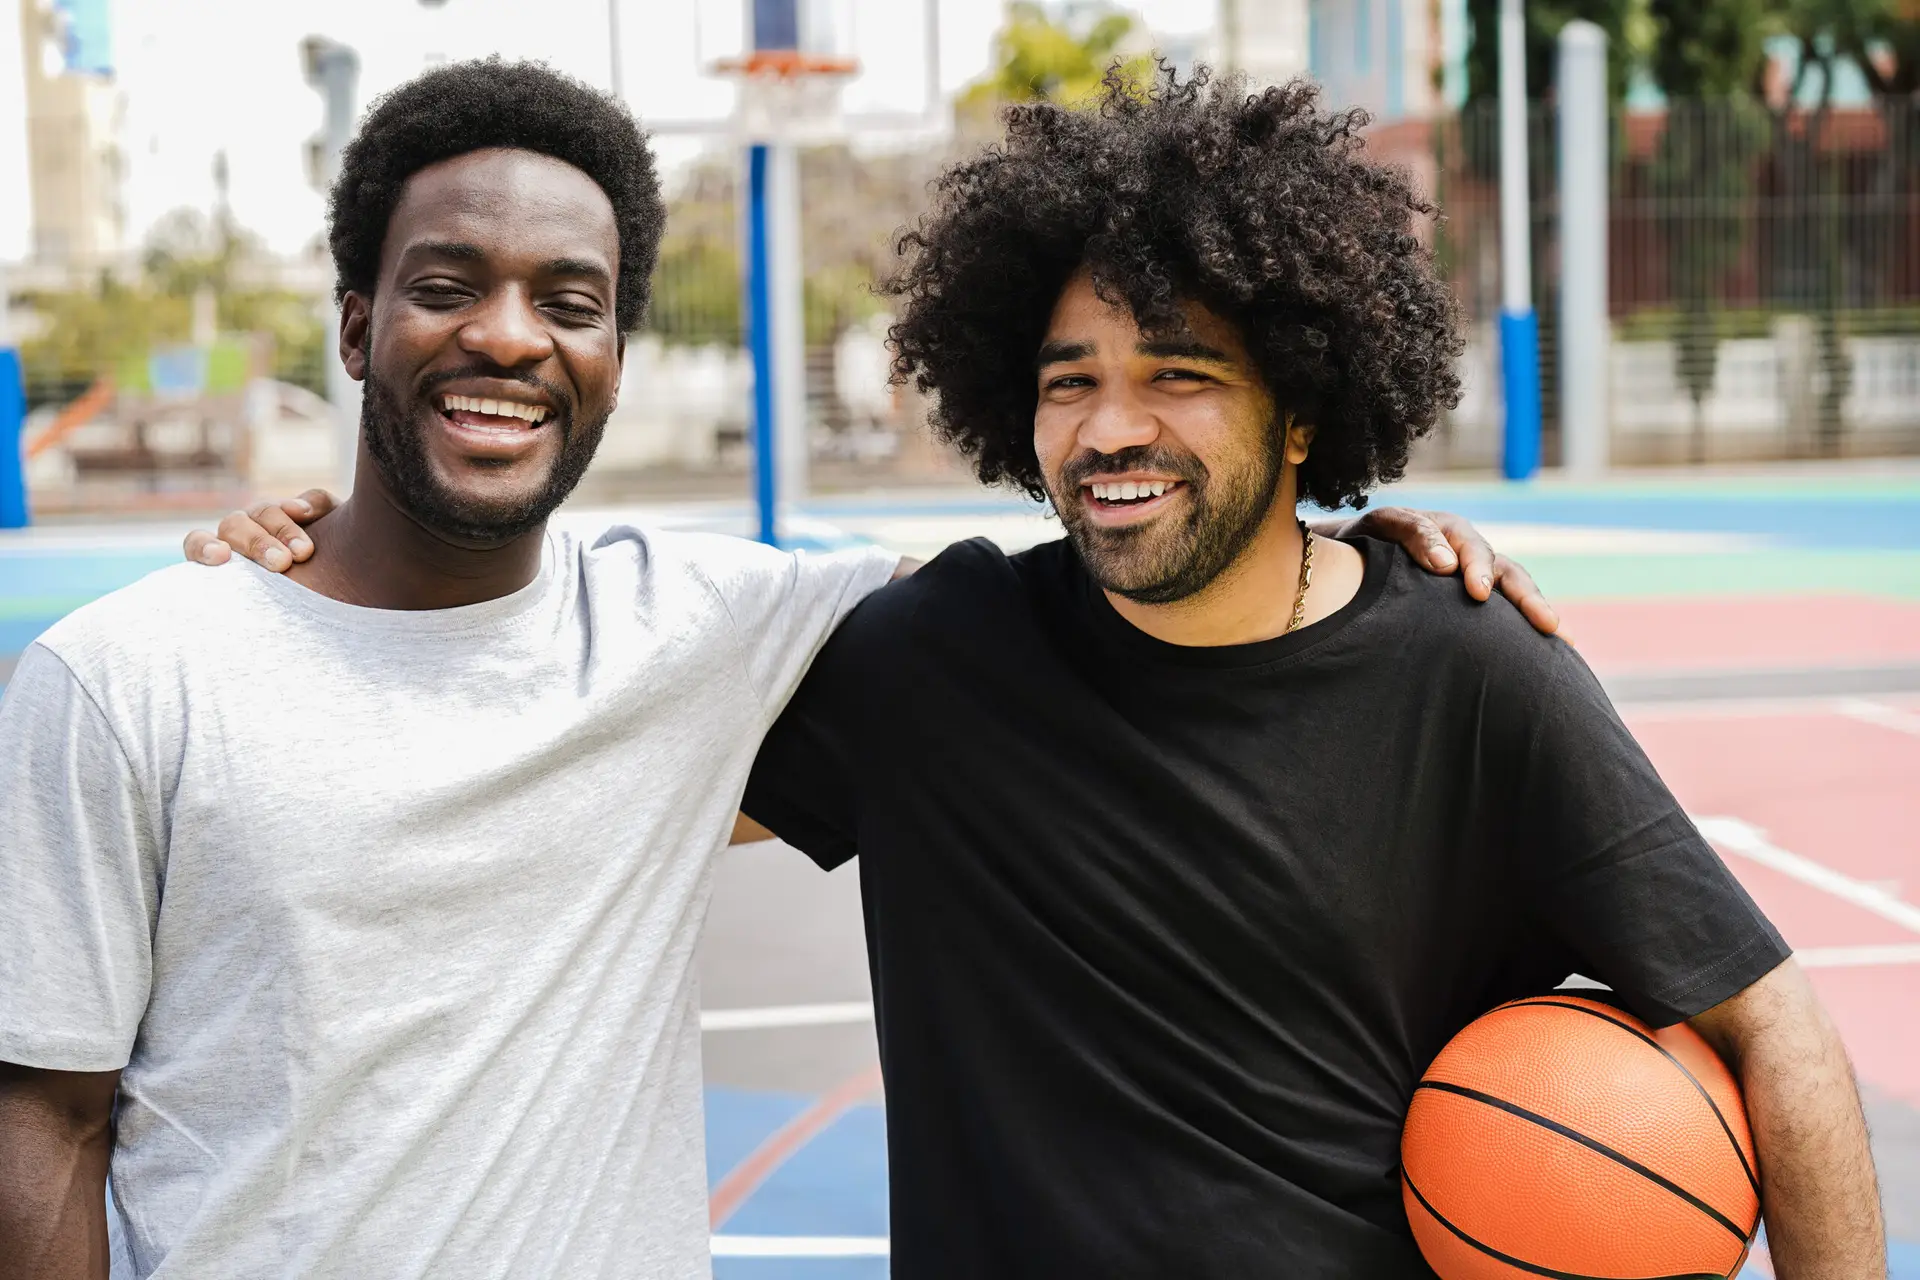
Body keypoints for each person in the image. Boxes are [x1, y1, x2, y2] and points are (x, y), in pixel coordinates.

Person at [0, 60, 1546, 1280]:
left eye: (569, 301)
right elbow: (45, 1138)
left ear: (614, 351)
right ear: (356, 324)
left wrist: (1345, 535)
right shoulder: (130, 677)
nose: (508, 336)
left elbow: (1113, 574)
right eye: (445, 284)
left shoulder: (708, 632)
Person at [727, 70, 1884, 1278]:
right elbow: (616, 796)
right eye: (1070, 379)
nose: (1111, 425)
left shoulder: (1467, 668)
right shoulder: (935, 659)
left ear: (1300, 412)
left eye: (1179, 373)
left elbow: (1772, 1022)